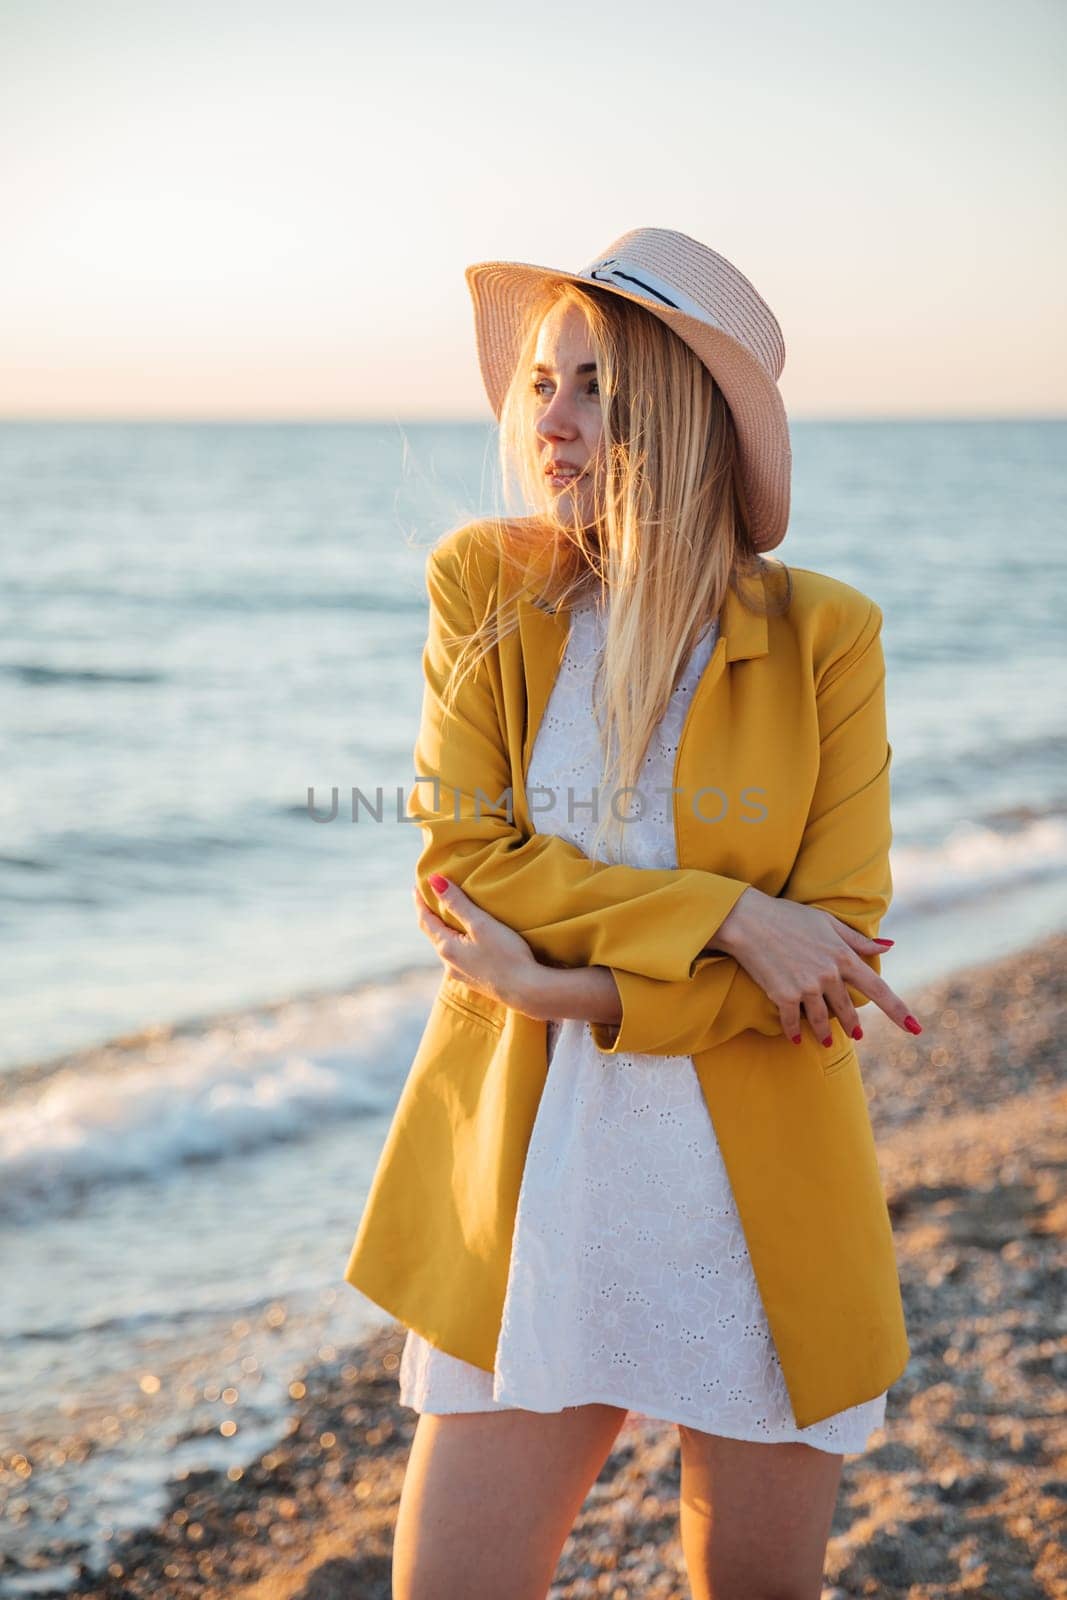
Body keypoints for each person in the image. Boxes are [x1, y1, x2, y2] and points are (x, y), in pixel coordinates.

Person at [345, 227, 920, 1600]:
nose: (552, 417)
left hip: (757, 1198)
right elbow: (463, 866)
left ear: (684, 410)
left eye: (595, 384)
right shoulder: (486, 590)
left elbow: (831, 950)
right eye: (541, 381)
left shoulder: (829, 636)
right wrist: (728, 910)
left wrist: (577, 991)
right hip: (532, 1190)